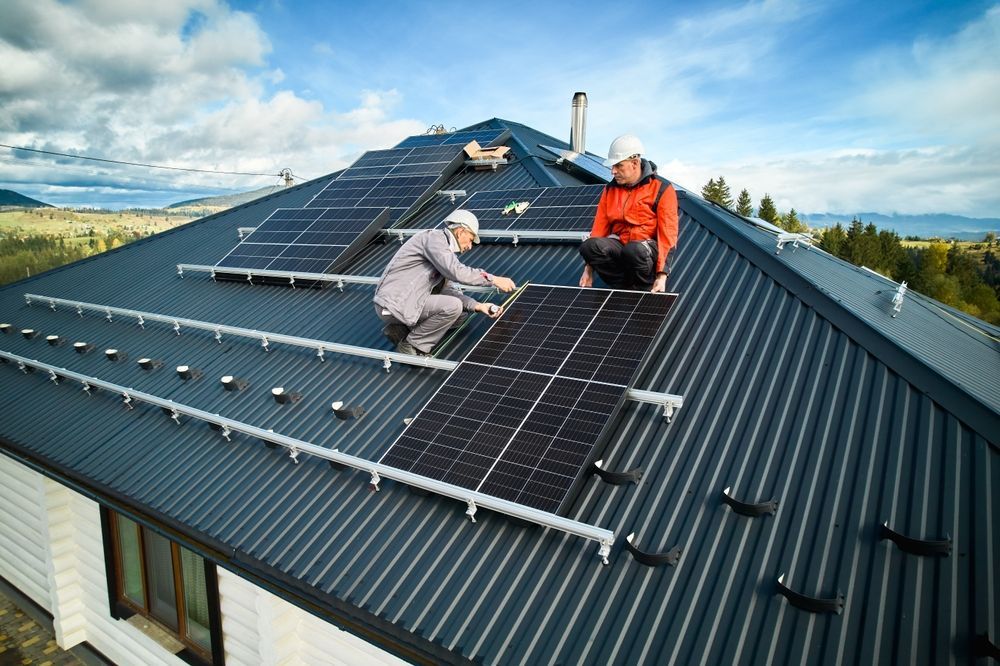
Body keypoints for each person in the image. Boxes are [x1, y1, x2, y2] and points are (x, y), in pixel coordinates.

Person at [374, 209, 516, 355]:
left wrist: (479, 306)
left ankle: (401, 329)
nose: (470, 246)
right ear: (461, 231)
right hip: (395, 303)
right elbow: (456, 272)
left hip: (409, 303)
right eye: (471, 239)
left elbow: (448, 291)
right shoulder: (434, 239)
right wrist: (493, 279)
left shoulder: (443, 255)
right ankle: (412, 345)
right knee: (452, 307)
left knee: (460, 314)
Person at [579, 134, 678, 292]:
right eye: (612, 166)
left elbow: (668, 235)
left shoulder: (662, 188)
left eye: (618, 166)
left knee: (633, 250)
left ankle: (643, 286)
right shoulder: (610, 190)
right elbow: (599, 228)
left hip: (645, 251)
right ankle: (622, 287)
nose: (613, 171)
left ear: (634, 163)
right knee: (589, 246)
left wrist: (661, 276)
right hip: (622, 247)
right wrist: (588, 270)